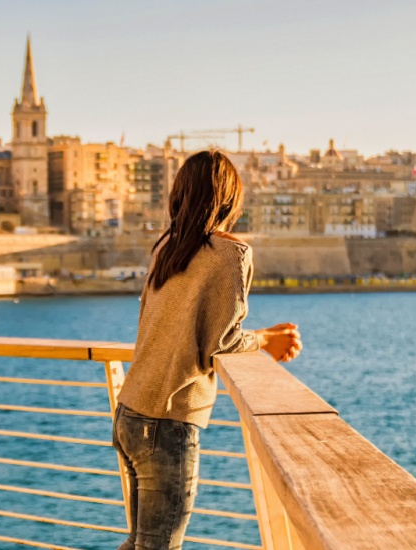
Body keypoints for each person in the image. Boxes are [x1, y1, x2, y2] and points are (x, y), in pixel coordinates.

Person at [113, 149, 302, 549]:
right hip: (167, 422)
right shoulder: (231, 254)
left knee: (141, 544)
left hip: (130, 411)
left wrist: (263, 335)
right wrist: (267, 341)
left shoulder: (166, 250)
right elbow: (223, 344)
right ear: (230, 198)